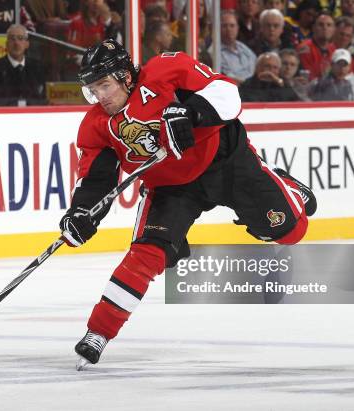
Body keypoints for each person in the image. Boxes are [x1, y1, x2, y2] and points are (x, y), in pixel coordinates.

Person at [62, 39, 317, 369]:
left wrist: (192, 112)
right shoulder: (97, 126)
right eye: (93, 90)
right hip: (171, 188)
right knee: (145, 254)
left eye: (105, 86)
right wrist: (82, 214)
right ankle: (99, 332)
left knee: (291, 230)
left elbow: (227, 93)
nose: (100, 97)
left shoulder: (166, 69)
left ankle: (288, 186)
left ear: (126, 76)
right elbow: (95, 180)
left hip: (223, 161)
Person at [0, 24, 46, 106]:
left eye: (20, 38)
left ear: (27, 44)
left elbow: (43, 101)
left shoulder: (37, 67)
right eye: (12, 39)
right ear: (6, 44)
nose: (16, 43)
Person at [297, 11, 337, 80]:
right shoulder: (304, 48)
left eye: (329, 25)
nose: (325, 28)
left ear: (334, 30)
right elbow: (308, 76)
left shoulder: (335, 50)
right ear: (313, 28)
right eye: (321, 25)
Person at [220, 10, 257, 84]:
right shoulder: (214, 53)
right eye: (224, 26)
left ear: (237, 28)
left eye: (232, 25)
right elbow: (228, 78)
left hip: (254, 89)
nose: (228, 29)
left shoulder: (243, 48)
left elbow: (256, 66)